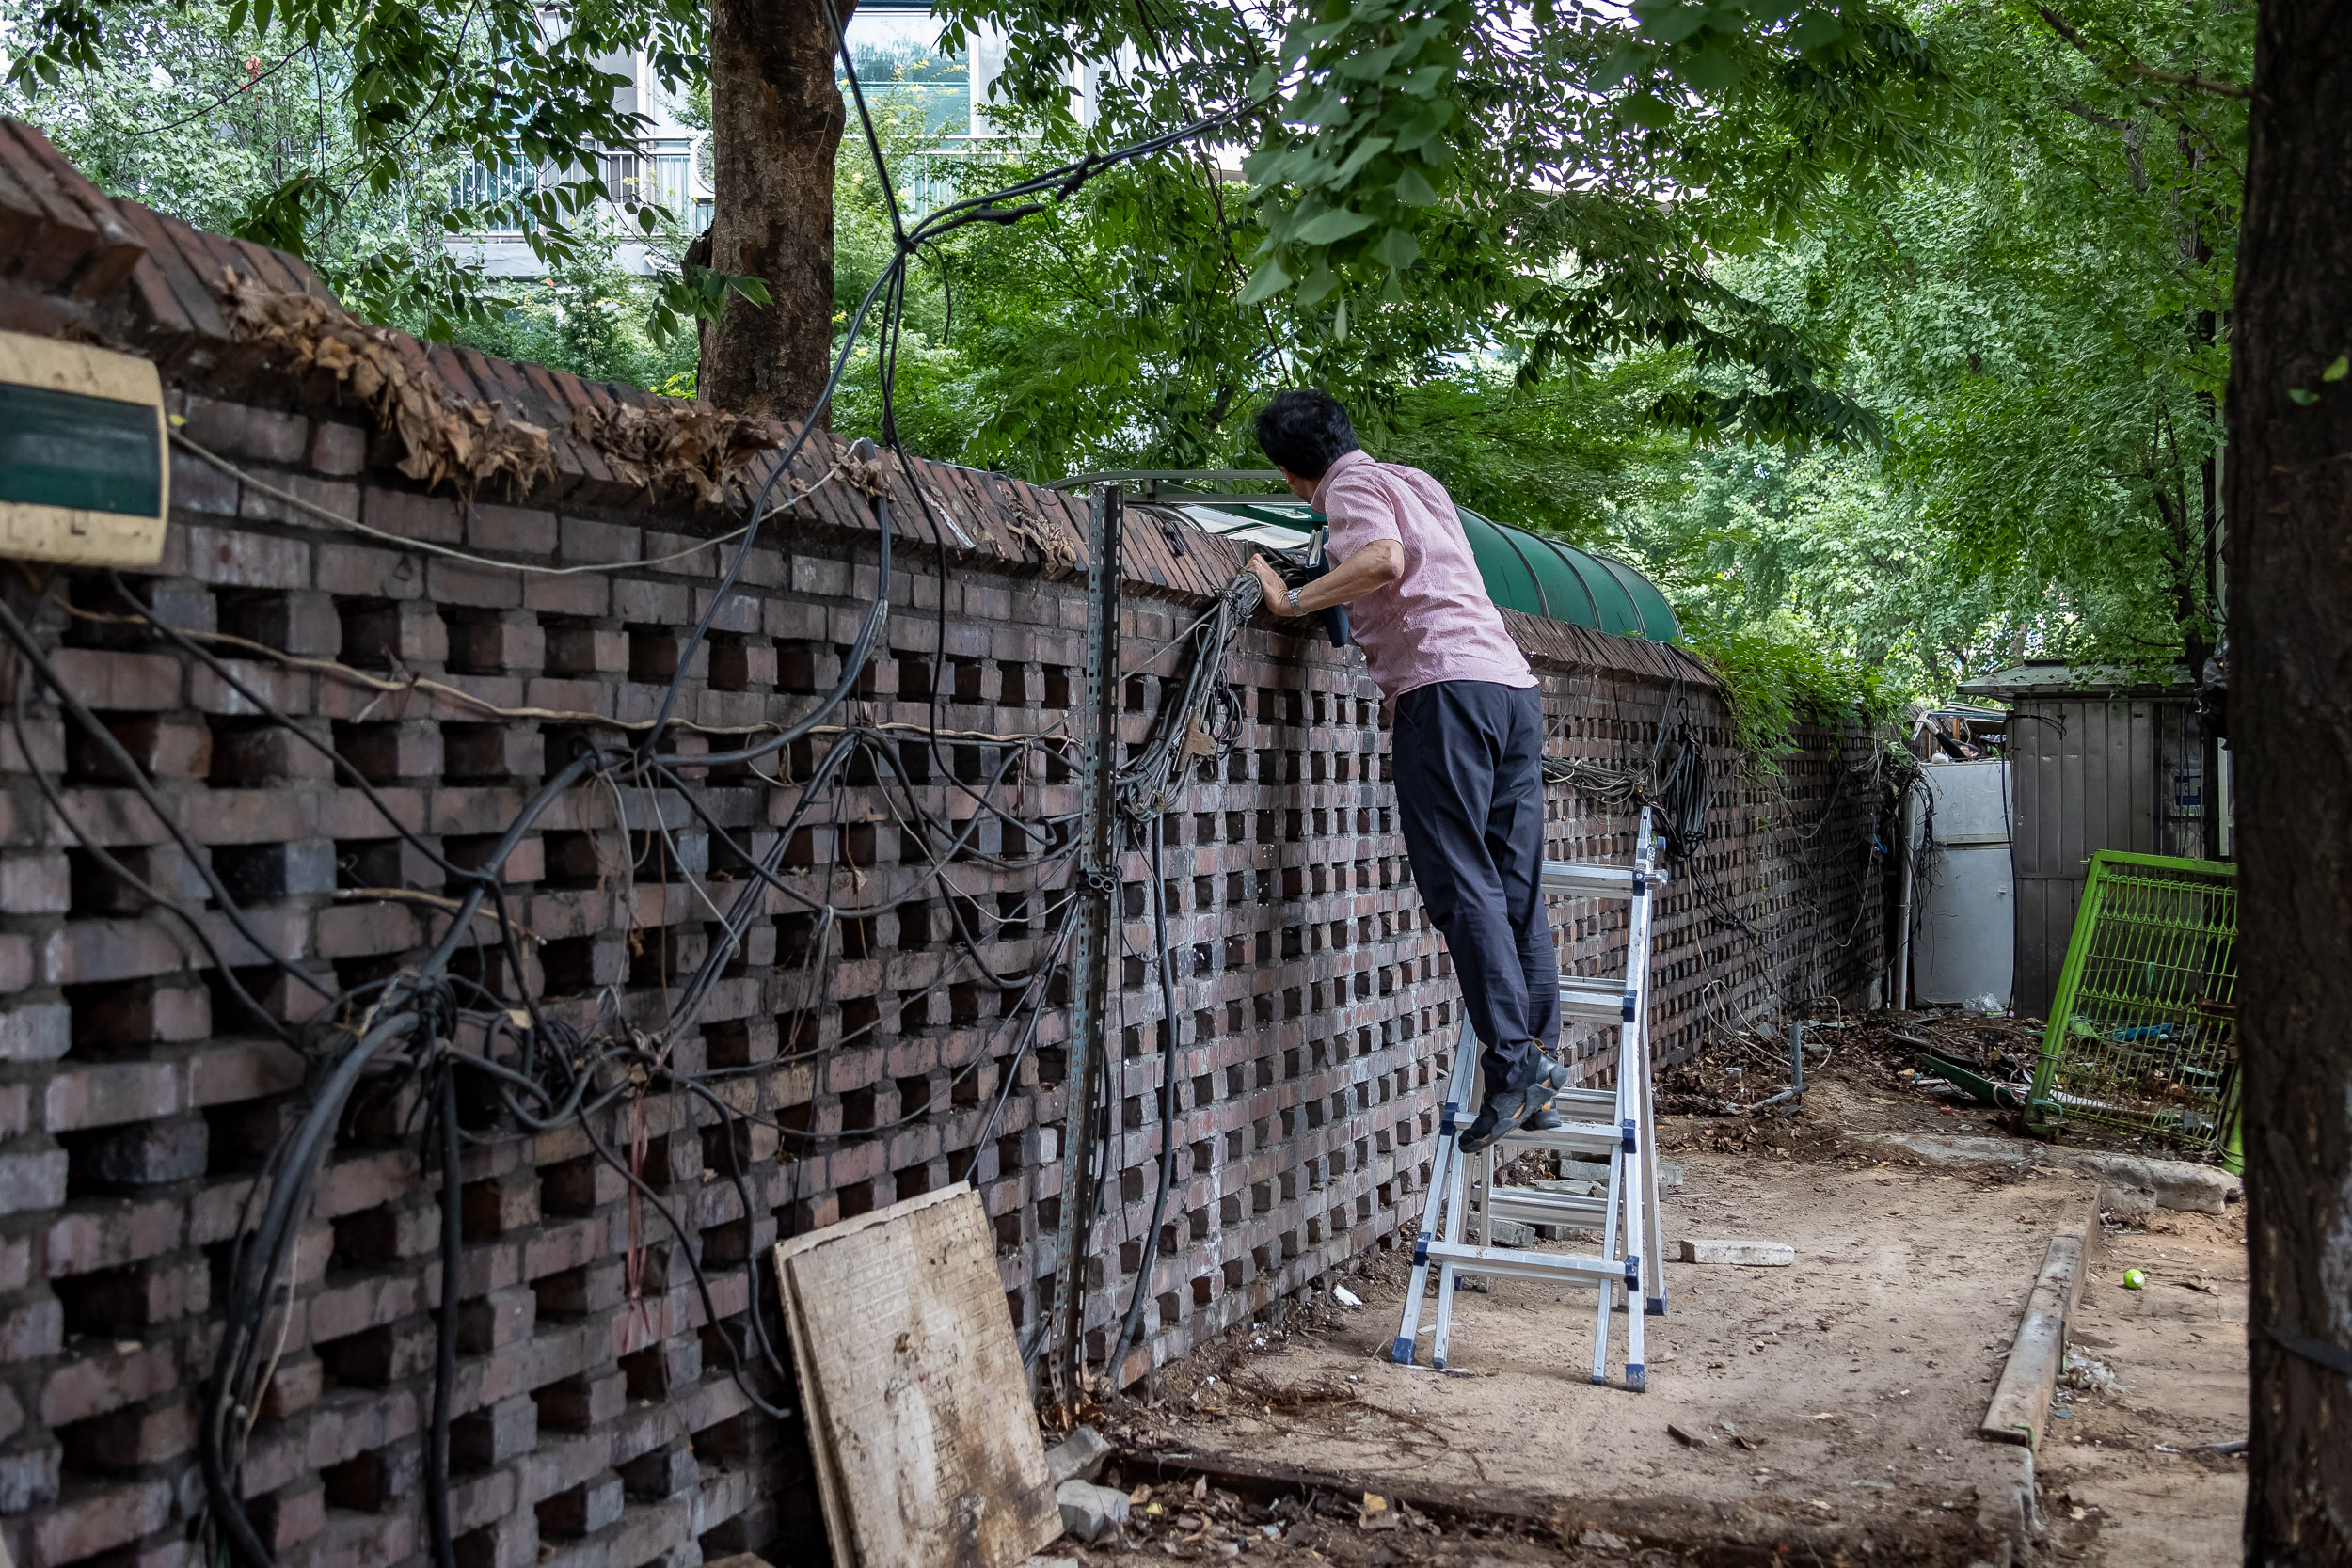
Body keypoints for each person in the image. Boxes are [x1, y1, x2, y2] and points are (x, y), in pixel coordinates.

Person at [1244, 388, 1565, 1153]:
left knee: (1462, 885)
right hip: (1509, 691)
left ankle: (1514, 1067)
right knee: (1515, 885)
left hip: (1442, 693)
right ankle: (1542, 1064)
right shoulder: (1417, 482)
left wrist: (1291, 599)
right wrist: (1325, 578)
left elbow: (1383, 561)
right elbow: (1395, 569)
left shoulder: (1347, 488)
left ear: (1290, 470)